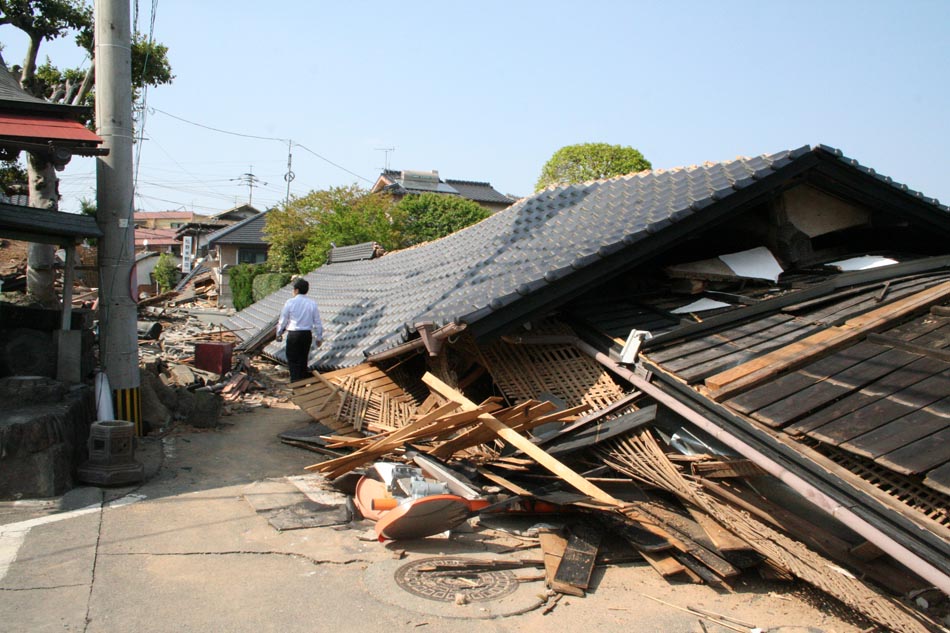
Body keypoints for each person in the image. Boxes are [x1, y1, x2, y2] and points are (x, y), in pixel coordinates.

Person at [275, 278, 323, 382]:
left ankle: (295, 384)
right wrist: (319, 338)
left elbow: (283, 320)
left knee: (293, 360)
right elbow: (318, 322)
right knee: (303, 360)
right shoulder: (312, 303)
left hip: (294, 335)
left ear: (296, 290)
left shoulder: (290, 303)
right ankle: (302, 383)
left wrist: (278, 333)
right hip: (306, 335)